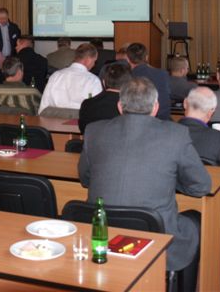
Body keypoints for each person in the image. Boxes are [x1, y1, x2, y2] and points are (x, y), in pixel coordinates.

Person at [78, 77, 211, 287]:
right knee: (195, 220)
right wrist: (170, 179)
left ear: (120, 106)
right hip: (154, 234)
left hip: (102, 230)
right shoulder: (176, 134)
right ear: (155, 107)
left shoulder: (94, 131)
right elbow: (202, 186)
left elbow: (85, 178)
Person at [179, 87, 220, 242]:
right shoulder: (219, 139)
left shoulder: (165, 132)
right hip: (211, 206)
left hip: (172, 203)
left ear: (185, 103)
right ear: (211, 112)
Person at [38, 43, 102, 118]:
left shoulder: (55, 76)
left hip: (53, 122)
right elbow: (96, 111)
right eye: (94, 61)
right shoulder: (93, 80)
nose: (94, 65)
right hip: (80, 123)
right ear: (88, 60)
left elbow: (42, 109)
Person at [78, 62, 132, 134]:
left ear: (103, 82)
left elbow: (83, 129)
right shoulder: (131, 106)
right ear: (129, 85)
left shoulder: (87, 104)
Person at [126, 42, 171, 120]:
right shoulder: (162, 74)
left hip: (134, 120)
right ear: (146, 57)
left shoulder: (126, 77)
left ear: (127, 59)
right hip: (162, 119)